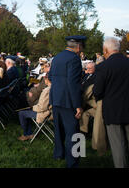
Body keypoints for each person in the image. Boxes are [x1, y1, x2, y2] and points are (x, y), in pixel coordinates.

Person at [93, 37, 129, 168]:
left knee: (118, 147)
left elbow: (97, 91)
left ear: (106, 50)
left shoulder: (103, 67)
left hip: (113, 112)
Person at [48, 35, 85, 168]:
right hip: (68, 100)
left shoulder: (57, 57)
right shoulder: (74, 59)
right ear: (79, 47)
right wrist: (78, 105)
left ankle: (58, 154)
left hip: (56, 97)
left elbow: (50, 76)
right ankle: (73, 162)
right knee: (74, 132)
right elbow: (73, 83)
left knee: (59, 129)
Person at [18, 75, 52, 141]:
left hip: (44, 113)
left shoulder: (47, 90)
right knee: (25, 111)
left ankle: (26, 134)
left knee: (21, 113)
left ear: (47, 80)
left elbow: (41, 108)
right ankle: (29, 133)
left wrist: (32, 108)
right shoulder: (52, 88)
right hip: (47, 111)